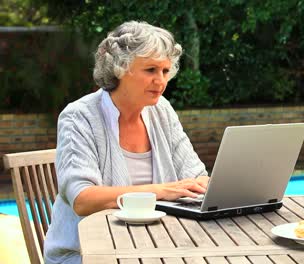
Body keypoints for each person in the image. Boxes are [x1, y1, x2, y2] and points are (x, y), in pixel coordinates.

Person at [44, 21, 209, 264]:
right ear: (120, 68)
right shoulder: (80, 116)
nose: (160, 81)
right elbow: (83, 199)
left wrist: (212, 188)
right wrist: (161, 191)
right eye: (150, 70)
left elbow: (196, 177)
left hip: (154, 246)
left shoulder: (161, 110)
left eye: (165, 71)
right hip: (86, 253)